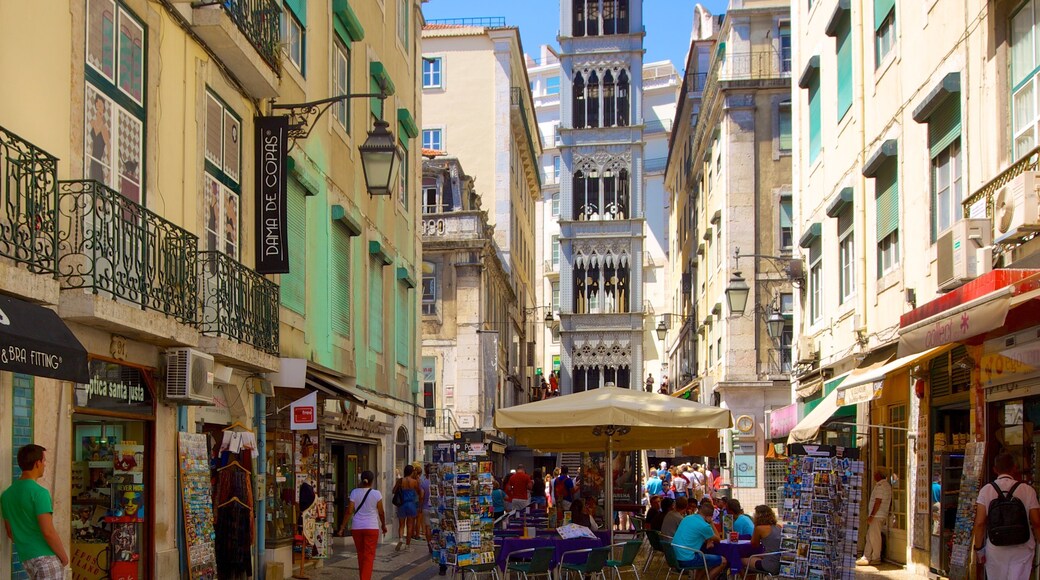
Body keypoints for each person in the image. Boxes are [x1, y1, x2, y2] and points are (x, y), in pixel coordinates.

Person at [1, 445, 69, 578]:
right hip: (47, 558)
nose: (45, 465)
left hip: (27, 558)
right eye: (44, 461)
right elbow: (48, 531)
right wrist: (63, 557)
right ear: (37, 463)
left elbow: (10, 532)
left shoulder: (6, 495)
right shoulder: (39, 493)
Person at [972, 453, 1040, 579]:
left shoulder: (986, 490)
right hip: (1023, 549)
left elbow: (980, 523)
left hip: (996, 549)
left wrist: (979, 549)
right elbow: (1036, 522)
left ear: (994, 469)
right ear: (1014, 468)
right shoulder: (1027, 490)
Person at [340, 470, 386, 580]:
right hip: (372, 528)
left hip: (357, 528)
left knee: (361, 555)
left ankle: (363, 577)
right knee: (369, 556)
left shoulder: (354, 492)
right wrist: (383, 525)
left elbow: (349, 511)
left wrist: (342, 526)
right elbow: (381, 512)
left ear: (362, 480)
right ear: (372, 481)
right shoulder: (377, 494)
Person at [672, 500, 727, 579]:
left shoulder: (687, 518)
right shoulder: (704, 526)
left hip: (675, 557)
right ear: (709, 516)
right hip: (687, 559)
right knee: (723, 561)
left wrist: (708, 541)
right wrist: (711, 523)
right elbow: (718, 539)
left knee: (703, 559)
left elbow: (695, 535)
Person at [857, 469, 892, 566]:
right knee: (870, 536)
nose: (873, 476)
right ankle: (866, 556)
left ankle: (876, 557)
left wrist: (872, 515)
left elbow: (878, 502)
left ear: (879, 476)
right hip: (879, 514)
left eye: (875, 474)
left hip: (877, 515)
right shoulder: (886, 485)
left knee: (875, 536)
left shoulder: (881, 486)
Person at [743, 505, 782, 576]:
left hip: (769, 565)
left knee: (741, 560)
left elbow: (754, 545)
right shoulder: (778, 527)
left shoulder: (759, 528)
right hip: (780, 564)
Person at [394, 465, 420, 551]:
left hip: (401, 504)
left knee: (401, 525)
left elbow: (393, 491)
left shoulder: (400, 481)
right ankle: (407, 545)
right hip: (411, 504)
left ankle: (401, 539)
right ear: (412, 472)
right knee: (410, 526)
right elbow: (419, 491)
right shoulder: (414, 482)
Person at [417, 463, 431, 541]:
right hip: (436, 508)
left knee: (428, 527)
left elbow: (421, 496)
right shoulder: (437, 482)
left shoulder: (423, 483)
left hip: (426, 508)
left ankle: (429, 544)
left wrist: (420, 506)